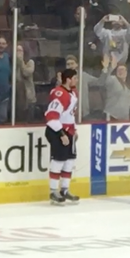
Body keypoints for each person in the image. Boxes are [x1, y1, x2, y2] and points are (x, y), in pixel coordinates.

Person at [45, 67, 80, 205]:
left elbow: (70, 115)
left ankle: (65, 190)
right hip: (57, 131)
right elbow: (51, 117)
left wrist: (74, 129)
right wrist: (61, 134)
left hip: (68, 131)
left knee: (69, 161)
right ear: (68, 79)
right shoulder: (60, 94)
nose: (77, 80)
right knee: (58, 161)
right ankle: (53, 191)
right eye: (75, 78)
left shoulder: (73, 93)